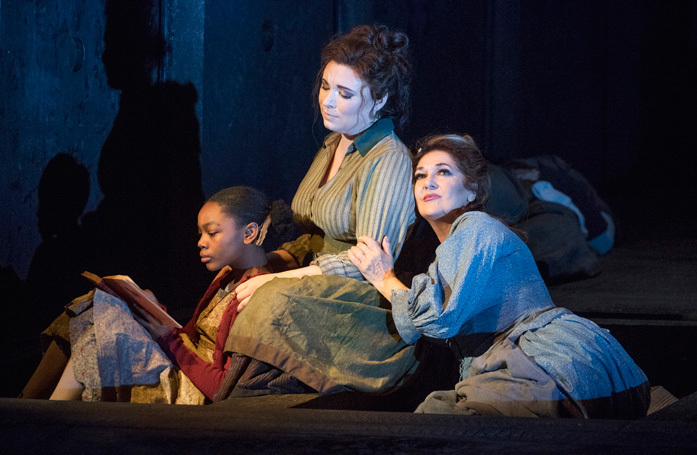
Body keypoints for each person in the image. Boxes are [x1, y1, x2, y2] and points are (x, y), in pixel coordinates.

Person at [348, 134, 651, 418]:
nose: (429, 183)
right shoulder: (451, 248)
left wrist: (383, 276)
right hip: (565, 370)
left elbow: (437, 316)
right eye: (420, 175)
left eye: (443, 172)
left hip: (556, 365)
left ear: (472, 190)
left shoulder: (476, 227)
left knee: (438, 418)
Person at [217, 25, 418, 397]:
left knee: (266, 302)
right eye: (326, 86)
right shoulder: (333, 142)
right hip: (312, 278)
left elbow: (367, 264)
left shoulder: (388, 159)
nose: (328, 101)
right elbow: (312, 232)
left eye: (345, 94)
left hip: (356, 298)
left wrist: (280, 279)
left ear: (378, 99)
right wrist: (275, 261)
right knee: (233, 285)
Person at [22, 186, 296, 404]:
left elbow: (220, 387)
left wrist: (166, 336)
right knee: (95, 306)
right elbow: (190, 335)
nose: (201, 242)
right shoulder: (226, 276)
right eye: (200, 233)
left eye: (212, 233)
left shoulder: (255, 294)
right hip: (180, 358)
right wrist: (152, 310)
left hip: (193, 388)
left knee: (97, 339)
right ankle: (29, 407)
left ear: (249, 233)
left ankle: (44, 419)